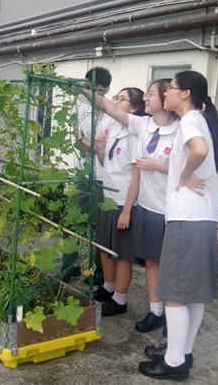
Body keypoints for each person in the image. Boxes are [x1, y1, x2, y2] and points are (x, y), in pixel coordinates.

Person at [138, 70, 218, 380]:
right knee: (192, 292)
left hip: (187, 218)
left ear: (186, 93)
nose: (166, 93)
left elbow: (200, 151)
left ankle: (174, 361)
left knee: (174, 290)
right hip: (200, 218)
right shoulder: (197, 119)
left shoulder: (190, 120)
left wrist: (185, 175)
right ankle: (182, 352)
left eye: (171, 88)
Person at [127, 79, 180, 334]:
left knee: (172, 265)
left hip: (171, 211)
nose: (147, 98)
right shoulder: (143, 125)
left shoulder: (182, 130)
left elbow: (189, 173)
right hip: (147, 207)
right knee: (150, 263)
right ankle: (156, 311)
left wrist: (158, 167)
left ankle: (176, 316)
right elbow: (114, 111)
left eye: (151, 94)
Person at [91, 88, 145, 316]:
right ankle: (108, 287)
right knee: (106, 247)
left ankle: (120, 300)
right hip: (108, 196)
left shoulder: (136, 134)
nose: (116, 102)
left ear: (133, 108)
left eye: (121, 99)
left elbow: (137, 175)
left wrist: (127, 210)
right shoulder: (113, 128)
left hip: (124, 200)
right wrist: (100, 149)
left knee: (122, 253)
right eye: (116, 98)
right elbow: (106, 163)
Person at [64, 67, 112, 282]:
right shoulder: (81, 111)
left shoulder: (112, 115)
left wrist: (89, 144)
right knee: (72, 218)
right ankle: (70, 265)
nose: (88, 93)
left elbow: (105, 147)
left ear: (106, 90)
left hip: (104, 177)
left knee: (100, 226)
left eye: (95, 89)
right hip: (83, 173)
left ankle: (100, 272)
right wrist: (92, 144)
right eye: (86, 88)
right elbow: (80, 141)